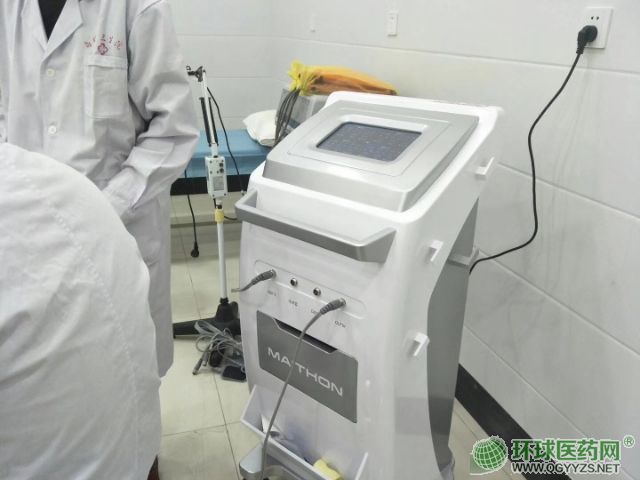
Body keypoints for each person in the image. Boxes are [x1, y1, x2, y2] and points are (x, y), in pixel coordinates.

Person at [0, 0, 200, 376]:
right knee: (46, 378)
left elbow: (174, 128)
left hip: (118, 230)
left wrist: (100, 209)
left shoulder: (138, 7)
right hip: (28, 235)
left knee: (127, 377)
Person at [0, 143, 161, 480]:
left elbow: (172, 133)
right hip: (83, 208)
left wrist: (115, 199)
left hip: (109, 207)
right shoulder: (60, 186)